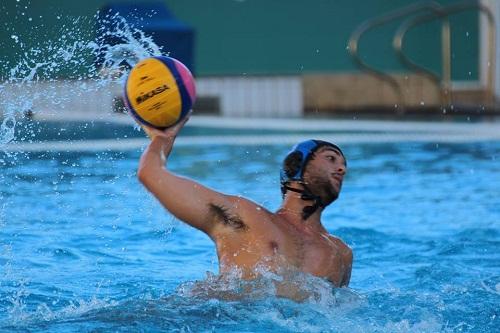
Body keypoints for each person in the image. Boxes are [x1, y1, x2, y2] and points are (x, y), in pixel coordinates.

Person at [137, 114, 352, 294]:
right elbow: (151, 174)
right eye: (331, 158)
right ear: (295, 165)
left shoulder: (341, 254)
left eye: (343, 164)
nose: (342, 169)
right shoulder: (246, 216)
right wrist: (162, 139)